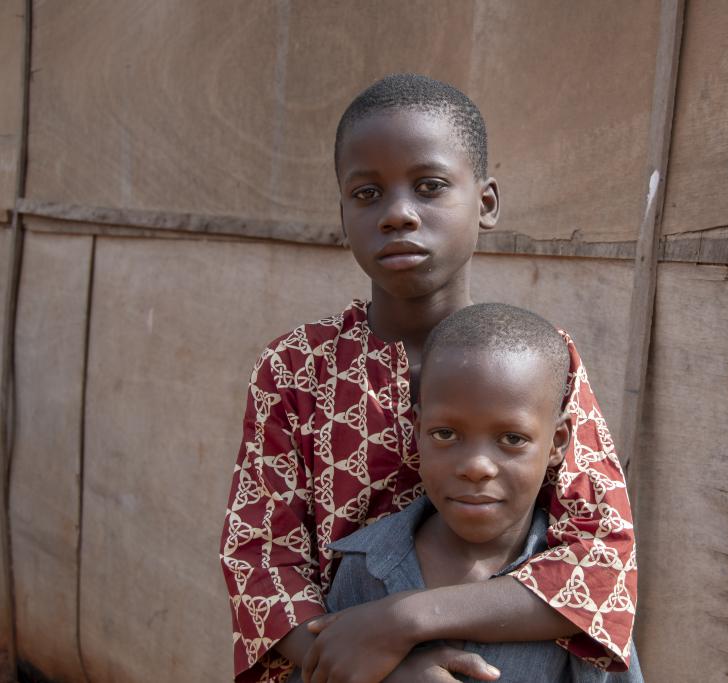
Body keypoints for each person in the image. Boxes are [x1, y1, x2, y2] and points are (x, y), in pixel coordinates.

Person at [220, 73, 637, 683]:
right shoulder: (296, 370)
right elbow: (261, 561)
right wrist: (381, 671)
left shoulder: (543, 361)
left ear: (486, 203)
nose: (397, 215)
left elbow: (603, 558)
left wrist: (405, 620)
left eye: (430, 186)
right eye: (367, 194)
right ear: (342, 214)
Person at [286, 303, 641, 683]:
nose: (476, 466)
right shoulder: (363, 566)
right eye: (445, 434)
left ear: (557, 443)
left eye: (512, 439)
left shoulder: (585, 594)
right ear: (417, 430)